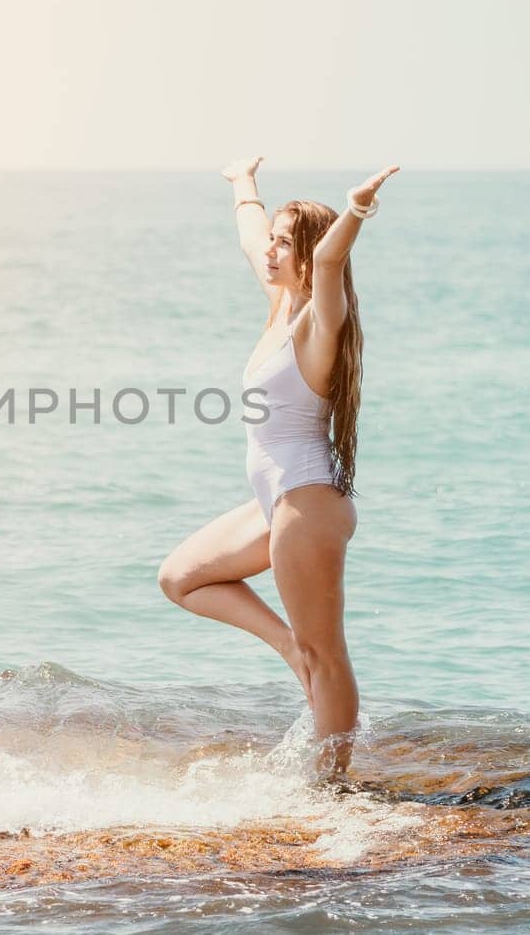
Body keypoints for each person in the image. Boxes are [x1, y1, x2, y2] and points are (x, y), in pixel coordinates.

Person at [158, 155, 399, 777]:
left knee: (329, 656)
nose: (270, 251)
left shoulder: (320, 324)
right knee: (182, 577)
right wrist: (244, 184)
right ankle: (292, 653)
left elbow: (330, 262)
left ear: (306, 254)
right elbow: (249, 238)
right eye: (274, 241)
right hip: (279, 503)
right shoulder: (279, 304)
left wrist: (358, 209)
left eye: (284, 244)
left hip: (307, 501)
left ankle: (331, 782)